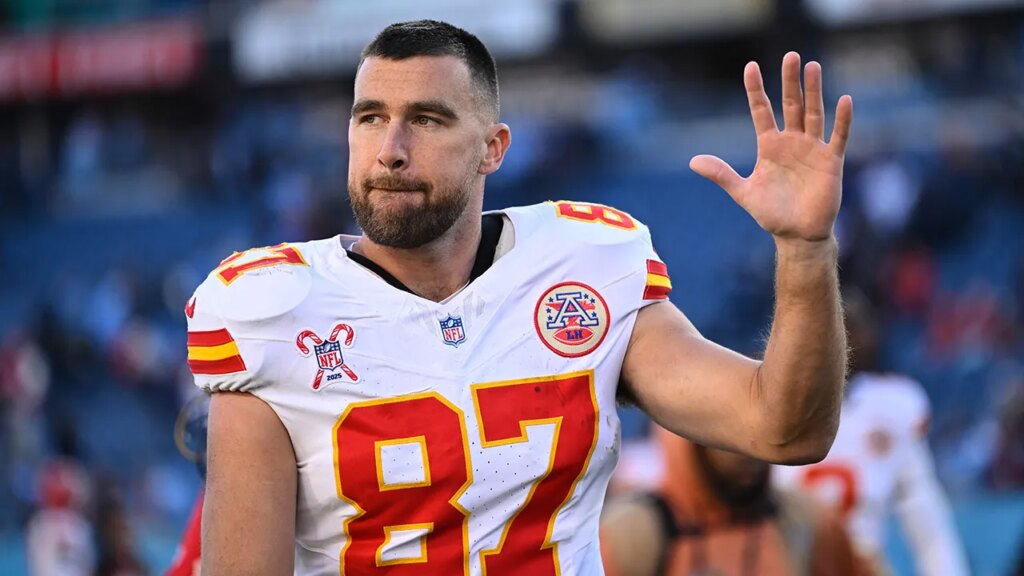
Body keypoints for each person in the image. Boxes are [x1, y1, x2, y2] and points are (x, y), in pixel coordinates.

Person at [189, 19, 853, 575]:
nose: (390, 150)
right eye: (370, 118)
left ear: (492, 149)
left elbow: (786, 428)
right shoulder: (274, 311)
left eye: (426, 119)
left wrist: (804, 249)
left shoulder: (582, 264)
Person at [774, 290, 970, 575]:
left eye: (852, 327)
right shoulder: (778, 405)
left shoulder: (894, 405)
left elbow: (926, 519)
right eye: (835, 326)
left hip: (862, 561)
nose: (844, 339)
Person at [600, 427, 867, 576]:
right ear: (691, 437)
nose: (749, 454)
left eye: (760, 432)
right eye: (731, 437)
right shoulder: (632, 533)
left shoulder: (804, 518)